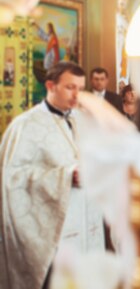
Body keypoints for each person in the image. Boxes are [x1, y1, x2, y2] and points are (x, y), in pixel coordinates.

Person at [0, 62, 104, 289]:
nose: (77, 95)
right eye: (70, 87)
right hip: (54, 233)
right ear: (50, 85)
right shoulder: (25, 126)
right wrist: (64, 177)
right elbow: (11, 179)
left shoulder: (85, 122)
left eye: (80, 88)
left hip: (88, 222)